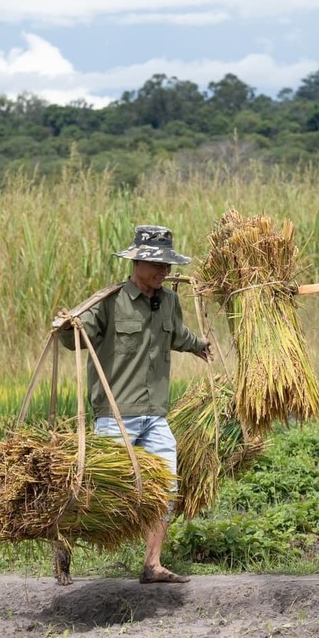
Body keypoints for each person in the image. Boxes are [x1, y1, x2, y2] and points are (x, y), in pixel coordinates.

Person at [59, 225, 212, 585]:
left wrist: (199, 345)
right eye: (156, 265)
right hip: (116, 415)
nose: (163, 272)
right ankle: (64, 546)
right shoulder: (110, 302)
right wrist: (67, 327)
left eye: (167, 266)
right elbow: (78, 338)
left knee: (166, 486)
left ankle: (152, 564)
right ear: (137, 262)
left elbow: (177, 334)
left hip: (155, 414)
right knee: (99, 490)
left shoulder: (170, 301)